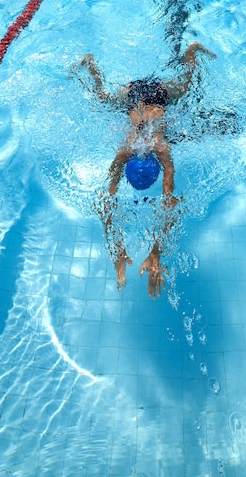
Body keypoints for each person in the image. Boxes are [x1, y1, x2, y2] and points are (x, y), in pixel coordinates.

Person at [79, 42, 215, 298]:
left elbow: (107, 201)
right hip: (140, 97)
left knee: (187, 87)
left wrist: (122, 249)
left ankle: (91, 66)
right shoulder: (156, 149)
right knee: (185, 85)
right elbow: (169, 201)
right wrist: (153, 252)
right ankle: (191, 53)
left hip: (144, 95)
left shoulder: (135, 150)